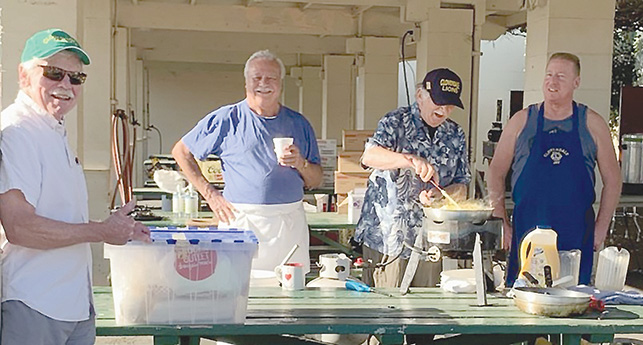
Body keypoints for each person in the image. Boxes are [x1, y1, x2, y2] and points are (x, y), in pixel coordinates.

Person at [0, 28, 150, 344]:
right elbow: (20, 227)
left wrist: (121, 231)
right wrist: (102, 231)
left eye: (75, 78)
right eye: (54, 73)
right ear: (23, 75)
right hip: (34, 305)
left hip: (73, 307)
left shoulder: (52, 130)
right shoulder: (17, 133)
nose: (65, 85)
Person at [172, 49, 323, 274]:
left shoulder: (299, 123)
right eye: (257, 78)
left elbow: (317, 180)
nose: (264, 83)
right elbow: (181, 152)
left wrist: (300, 162)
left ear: (280, 84)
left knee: (288, 297)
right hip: (241, 220)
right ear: (246, 83)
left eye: (271, 78)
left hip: (288, 224)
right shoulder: (227, 118)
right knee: (237, 289)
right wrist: (211, 195)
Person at [488, 52, 621, 286]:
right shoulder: (522, 121)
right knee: (524, 300)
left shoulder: (592, 123)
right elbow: (496, 171)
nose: (552, 81)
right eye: (549, 75)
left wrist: (601, 227)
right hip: (528, 229)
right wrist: (502, 222)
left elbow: (613, 180)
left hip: (575, 230)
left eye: (561, 76)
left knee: (573, 302)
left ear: (576, 83)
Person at [354, 68, 471, 288]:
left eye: (450, 105)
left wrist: (441, 195)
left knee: (426, 311)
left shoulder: (455, 134)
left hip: (431, 240)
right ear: (420, 96)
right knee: (386, 311)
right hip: (389, 237)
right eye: (439, 102)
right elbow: (370, 156)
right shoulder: (395, 121)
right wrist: (409, 160)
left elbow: (462, 186)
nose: (444, 110)